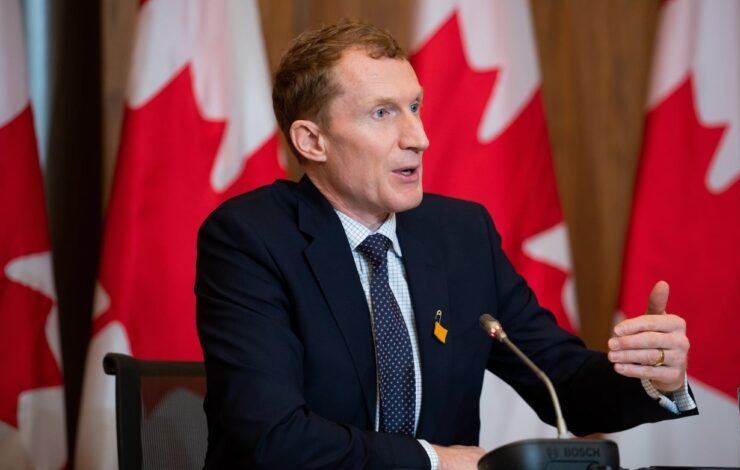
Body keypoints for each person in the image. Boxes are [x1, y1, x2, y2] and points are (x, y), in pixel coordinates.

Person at [195, 20, 697, 470]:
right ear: (312, 141)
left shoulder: (460, 234)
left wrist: (653, 378)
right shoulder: (250, 238)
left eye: (414, 107)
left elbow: (562, 381)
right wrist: (433, 460)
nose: (418, 137)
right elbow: (272, 437)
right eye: (382, 113)